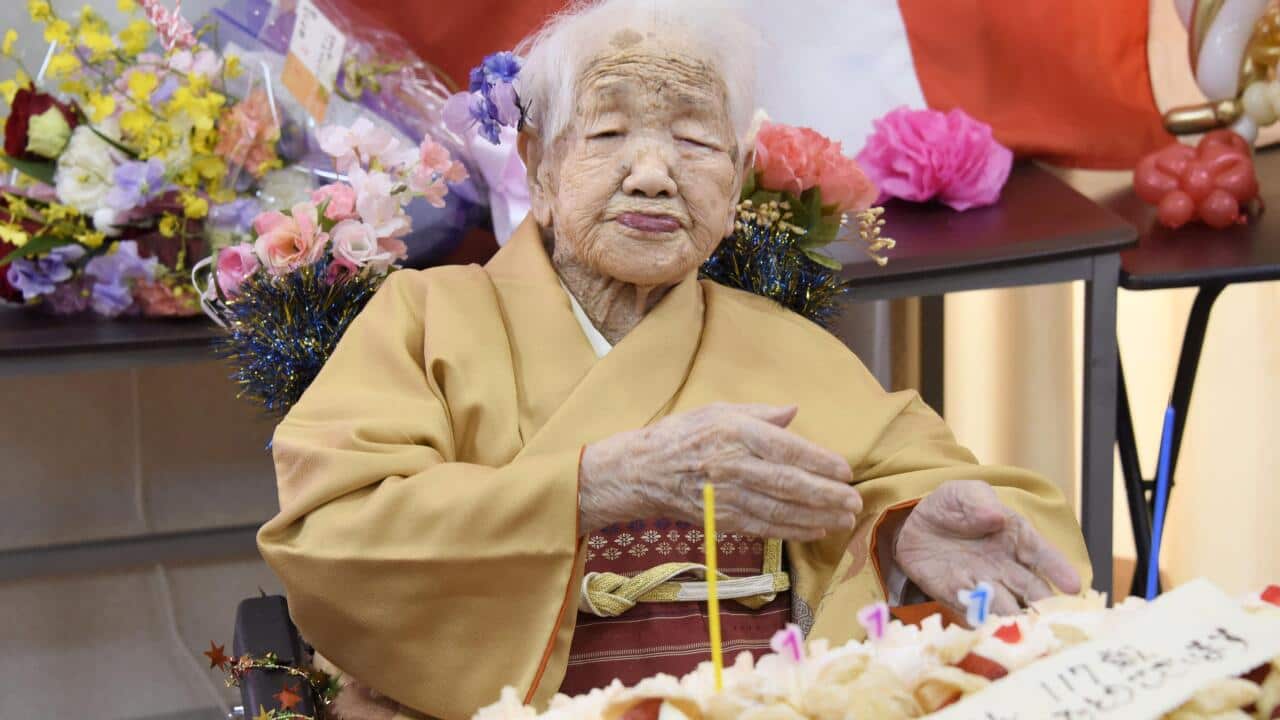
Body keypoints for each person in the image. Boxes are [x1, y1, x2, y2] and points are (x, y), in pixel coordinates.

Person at [257, 2, 1090, 718]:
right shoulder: (425, 319)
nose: (653, 174)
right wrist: (593, 486)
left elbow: (920, 479)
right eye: (610, 132)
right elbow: (331, 537)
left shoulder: (783, 345)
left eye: (695, 141)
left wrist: (906, 524)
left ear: (734, 184)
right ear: (542, 171)